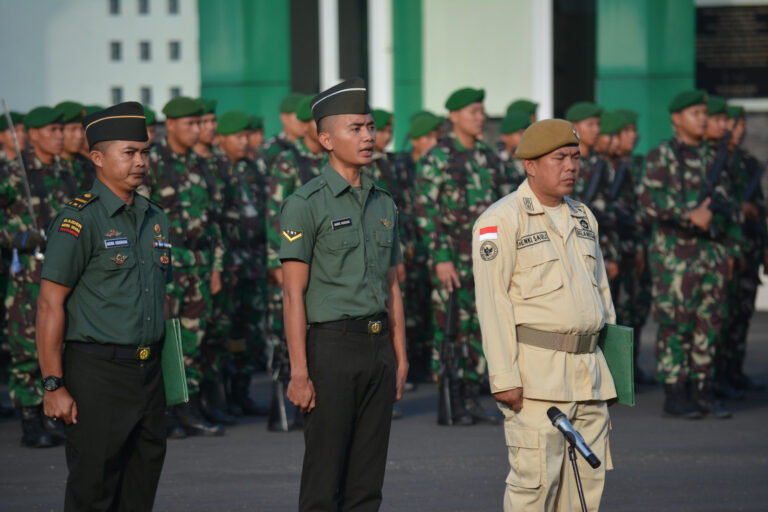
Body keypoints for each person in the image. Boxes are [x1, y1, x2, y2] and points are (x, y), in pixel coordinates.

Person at [473, 118, 616, 511]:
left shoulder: (584, 216)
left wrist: (616, 374)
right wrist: (504, 377)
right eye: (559, 158)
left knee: (585, 489)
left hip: (589, 378)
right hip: (536, 381)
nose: (571, 166)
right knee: (534, 489)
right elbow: (492, 303)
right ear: (530, 165)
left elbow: (603, 297)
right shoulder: (500, 220)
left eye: (575, 157)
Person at [280, 78, 408, 511]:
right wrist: (299, 373)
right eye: (356, 128)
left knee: (367, 483)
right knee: (324, 480)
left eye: (370, 126)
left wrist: (400, 355)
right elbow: (293, 296)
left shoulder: (383, 202)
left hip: (378, 349)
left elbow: (392, 286)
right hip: (331, 348)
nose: (369, 136)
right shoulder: (305, 203)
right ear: (326, 139)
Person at [36, 101, 171, 511]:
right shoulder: (79, 221)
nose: (140, 161)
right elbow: (49, 305)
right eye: (129, 152)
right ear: (97, 157)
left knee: (139, 491)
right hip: (98, 374)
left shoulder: (154, 217)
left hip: (149, 374)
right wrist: (53, 384)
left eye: (145, 152)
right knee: (93, 492)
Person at [639, 90, 736, 419]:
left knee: (709, 323)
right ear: (676, 119)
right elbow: (648, 202)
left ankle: (702, 390)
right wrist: (687, 214)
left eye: (704, 112)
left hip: (712, 255)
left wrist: (729, 246)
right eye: (695, 112)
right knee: (675, 326)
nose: (703, 118)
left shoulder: (714, 156)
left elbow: (729, 204)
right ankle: (675, 392)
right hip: (676, 259)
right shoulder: (661, 156)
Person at [413, 86, 504, 425]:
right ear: (453, 117)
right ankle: (450, 396)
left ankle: (471, 396)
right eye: (473, 112)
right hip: (452, 257)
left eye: (482, 111)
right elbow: (425, 208)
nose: (480, 118)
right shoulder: (437, 157)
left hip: (485, 259)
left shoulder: (486, 156)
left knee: (481, 328)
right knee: (450, 327)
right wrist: (440, 256)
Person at [145, 96, 225, 436]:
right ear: (172, 125)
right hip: (168, 262)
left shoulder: (201, 163)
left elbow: (214, 219)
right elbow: (143, 219)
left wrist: (216, 266)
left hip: (200, 262)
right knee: (164, 336)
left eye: (199, 123)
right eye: (190, 124)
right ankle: (161, 409)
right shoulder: (153, 163)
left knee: (194, 336)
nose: (196, 130)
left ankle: (186, 406)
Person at [1, 106, 75, 448]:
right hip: (29, 272)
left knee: (57, 341)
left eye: (62, 129)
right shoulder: (14, 172)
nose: (60, 135)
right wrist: (15, 237)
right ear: (32, 134)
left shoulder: (65, 171)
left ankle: (51, 412)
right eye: (52, 130)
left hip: (62, 268)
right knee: (27, 344)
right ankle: (30, 417)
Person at [566, 101, 620, 283]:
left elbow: (608, 212)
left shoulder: (600, 164)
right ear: (574, 126)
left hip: (598, 246)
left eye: (598, 124)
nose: (596, 130)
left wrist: (611, 255)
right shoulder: (564, 163)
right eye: (590, 125)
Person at [54, 101, 96, 191]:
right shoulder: (48, 166)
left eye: (82, 129)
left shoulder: (87, 164)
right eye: (72, 129)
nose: (80, 136)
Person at [497, 109, 531, 195]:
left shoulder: (530, 159)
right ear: (505, 137)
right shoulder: (494, 160)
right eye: (520, 133)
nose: (525, 137)